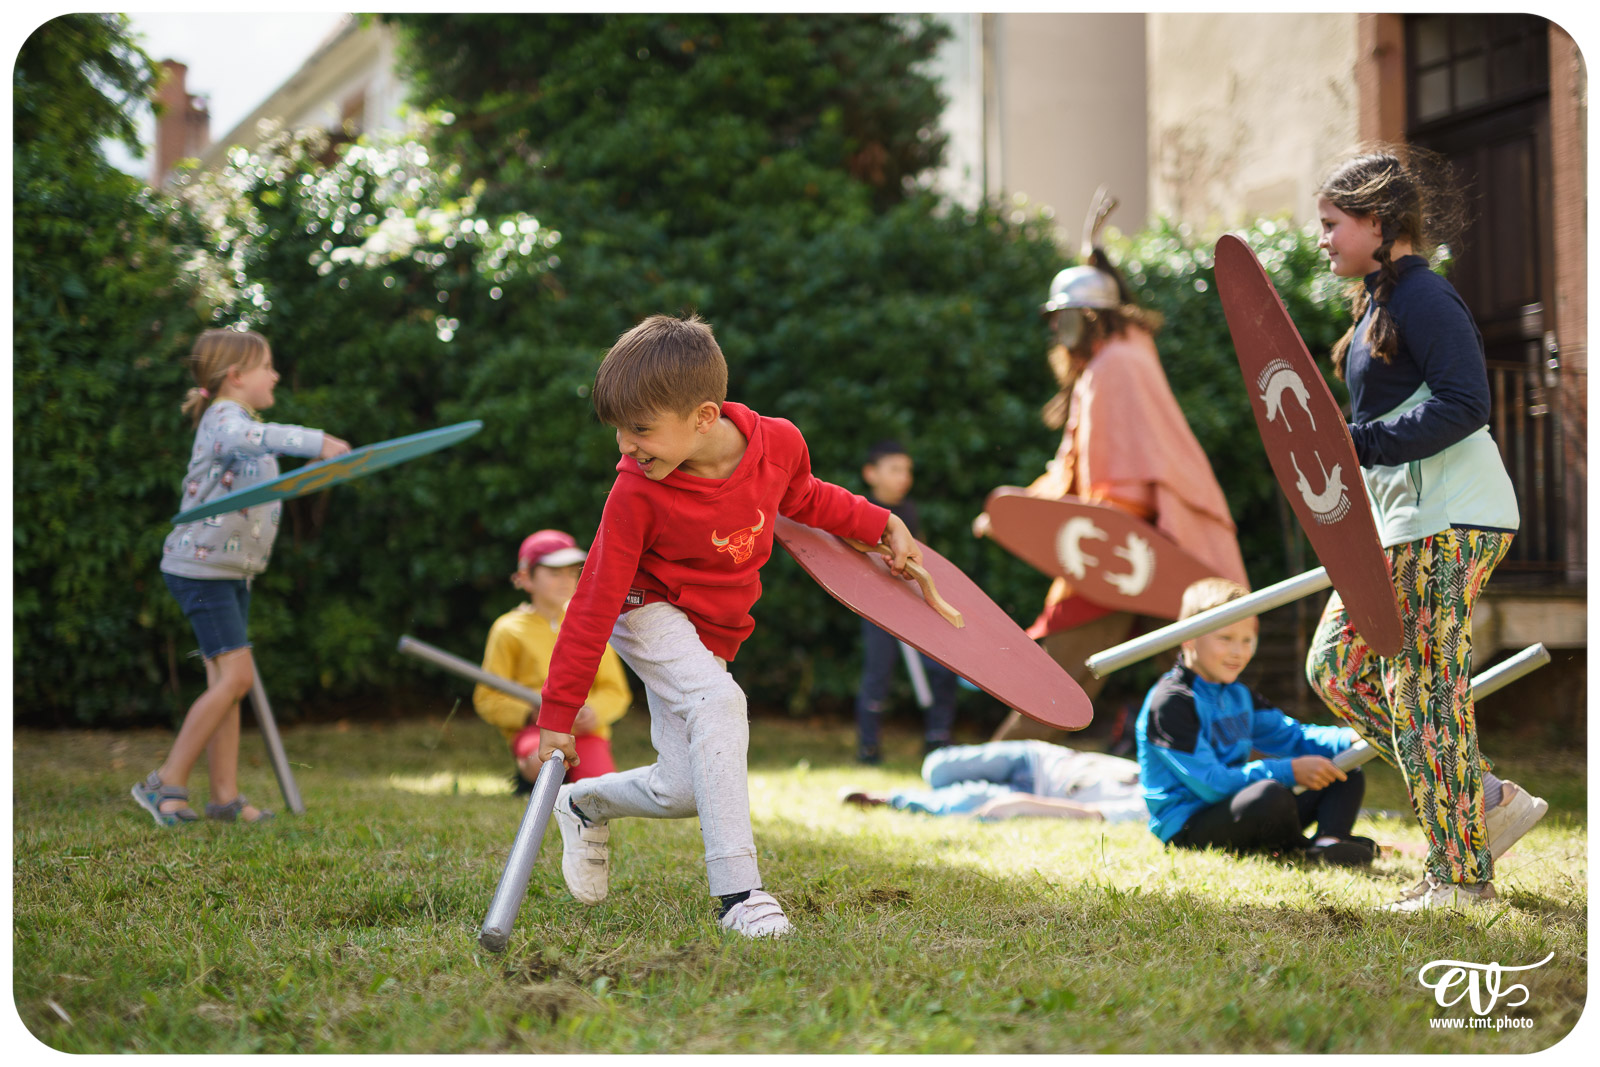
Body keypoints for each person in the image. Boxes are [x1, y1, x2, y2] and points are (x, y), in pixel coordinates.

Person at [527, 314, 920, 939]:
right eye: (620, 431)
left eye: (641, 429)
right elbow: (594, 601)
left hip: (712, 627)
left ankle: (583, 803)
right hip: (643, 608)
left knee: (683, 788)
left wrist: (878, 523)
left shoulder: (778, 444)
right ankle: (739, 894)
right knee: (718, 702)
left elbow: (807, 497)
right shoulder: (635, 490)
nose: (626, 446)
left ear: (704, 418)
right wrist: (557, 714)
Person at [1305, 147, 1547, 911]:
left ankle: (1461, 878)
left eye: (1331, 224)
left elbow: (1466, 401)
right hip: (1401, 524)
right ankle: (1482, 796)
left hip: (1451, 518)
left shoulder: (1425, 296)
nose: (1323, 240)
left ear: (1378, 221)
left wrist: (1361, 443)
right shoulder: (1379, 301)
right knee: (1336, 668)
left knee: (1426, 689)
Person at [973, 190, 1247, 743]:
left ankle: (998, 768)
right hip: (1117, 548)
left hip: (1123, 551)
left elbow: (1119, 491)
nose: (1058, 332)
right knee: (1161, 671)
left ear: (1090, 319)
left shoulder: (1117, 364)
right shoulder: (1109, 360)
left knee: (1066, 674)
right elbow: (1071, 469)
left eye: (1065, 319)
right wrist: (1018, 514)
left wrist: (1083, 535)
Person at [132, 328, 350, 826]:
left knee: (225, 684)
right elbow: (253, 438)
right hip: (201, 570)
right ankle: (164, 782)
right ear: (236, 376)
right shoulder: (226, 419)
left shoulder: (239, 422)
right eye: (267, 366)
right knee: (236, 678)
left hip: (230, 571)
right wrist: (315, 443)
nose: (275, 374)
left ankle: (224, 798)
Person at [1137, 578, 1375, 866]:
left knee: (1343, 765)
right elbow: (1212, 785)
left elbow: (1293, 737)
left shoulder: (1237, 694)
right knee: (1270, 794)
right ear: (1189, 637)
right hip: (1191, 826)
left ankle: (1326, 844)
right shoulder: (1171, 703)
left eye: (1247, 640)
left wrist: (1350, 738)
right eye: (1225, 639)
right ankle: (1297, 848)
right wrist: (1288, 771)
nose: (1238, 652)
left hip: (1239, 805)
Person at [474, 529, 632, 793]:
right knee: (540, 763)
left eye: (572, 572)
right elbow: (487, 698)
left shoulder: (590, 624)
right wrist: (528, 713)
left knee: (603, 788)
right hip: (534, 731)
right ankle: (529, 779)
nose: (566, 581)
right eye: (555, 573)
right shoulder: (508, 629)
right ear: (526, 578)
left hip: (585, 731)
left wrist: (594, 713)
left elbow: (616, 691)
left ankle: (570, 781)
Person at [854, 440, 960, 764]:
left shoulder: (909, 510)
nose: (904, 477)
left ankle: (938, 739)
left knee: (940, 669)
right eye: (895, 469)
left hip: (912, 604)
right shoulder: (860, 510)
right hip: (877, 609)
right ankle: (868, 748)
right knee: (878, 674)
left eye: (908, 470)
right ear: (871, 473)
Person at [841, 740, 1147, 824]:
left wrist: (1020, 805)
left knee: (965, 803)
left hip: (1033, 792)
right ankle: (931, 786)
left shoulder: (1147, 805)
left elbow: (1089, 814)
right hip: (1035, 757)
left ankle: (888, 799)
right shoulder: (1150, 765)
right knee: (935, 768)